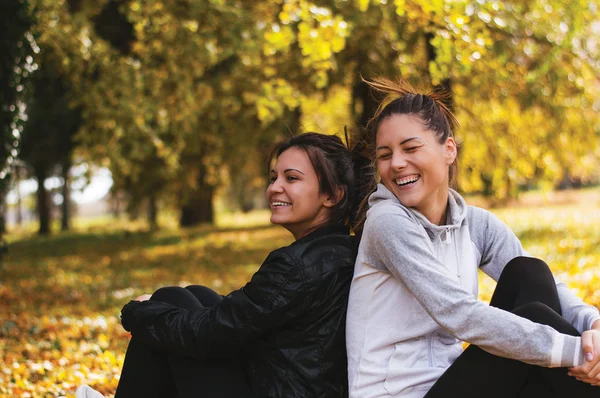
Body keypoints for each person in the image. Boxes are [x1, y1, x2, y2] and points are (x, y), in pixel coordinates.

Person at [345, 77, 600, 398]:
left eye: (410, 148)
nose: (396, 163)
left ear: (448, 149)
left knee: (528, 272)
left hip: (454, 380)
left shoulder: (474, 223)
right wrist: (580, 354)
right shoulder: (386, 222)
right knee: (538, 329)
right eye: (385, 154)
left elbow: (550, 287)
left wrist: (594, 325)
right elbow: (460, 313)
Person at [76, 132, 370, 398]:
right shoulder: (340, 249)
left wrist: (138, 313)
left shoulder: (296, 266)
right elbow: (240, 318)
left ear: (333, 195)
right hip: (293, 383)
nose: (274, 188)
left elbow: (212, 334)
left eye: (291, 178)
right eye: (273, 177)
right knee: (195, 295)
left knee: (167, 302)